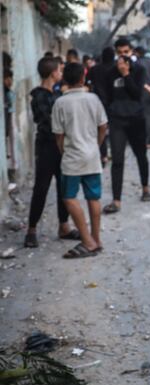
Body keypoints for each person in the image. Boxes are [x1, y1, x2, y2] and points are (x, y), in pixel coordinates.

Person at [51, 62, 108, 259]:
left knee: (69, 197)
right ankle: (96, 239)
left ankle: (87, 241)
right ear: (83, 78)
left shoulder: (60, 103)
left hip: (72, 157)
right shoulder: (93, 99)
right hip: (91, 155)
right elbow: (103, 126)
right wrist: (96, 145)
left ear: (65, 80)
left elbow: (58, 135)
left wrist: (63, 150)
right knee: (93, 197)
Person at [24, 57, 76, 248]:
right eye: (59, 71)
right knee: (41, 187)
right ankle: (31, 230)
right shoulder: (40, 96)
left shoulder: (54, 95)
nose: (61, 74)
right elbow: (49, 122)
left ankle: (64, 226)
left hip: (60, 146)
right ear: (53, 73)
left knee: (64, 186)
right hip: (47, 146)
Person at [103, 37, 150, 213]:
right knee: (117, 159)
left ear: (131, 52)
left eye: (126, 52)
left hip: (136, 118)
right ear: (116, 53)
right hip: (117, 120)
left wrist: (126, 74)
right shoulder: (110, 73)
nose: (123, 56)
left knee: (141, 154)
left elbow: (137, 94)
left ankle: (145, 187)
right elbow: (107, 97)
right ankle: (116, 200)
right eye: (120, 53)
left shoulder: (138, 70)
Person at [87, 47, 115, 167]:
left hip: (97, 103)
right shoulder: (115, 69)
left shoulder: (94, 69)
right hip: (114, 104)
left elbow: (87, 83)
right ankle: (115, 153)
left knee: (100, 129)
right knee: (114, 130)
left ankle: (102, 155)